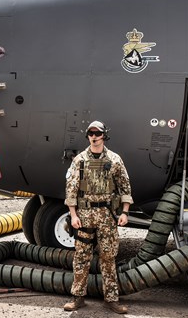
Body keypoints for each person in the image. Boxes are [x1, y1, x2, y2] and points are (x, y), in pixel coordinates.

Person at [63, 120, 133, 315]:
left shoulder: (115, 160)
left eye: (98, 133)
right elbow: (71, 190)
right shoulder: (79, 160)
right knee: (81, 258)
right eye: (90, 133)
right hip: (84, 216)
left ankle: (111, 299)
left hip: (107, 216)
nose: (94, 137)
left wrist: (125, 212)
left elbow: (125, 186)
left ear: (104, 135)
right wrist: (74, 216)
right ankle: (77, 298)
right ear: (88, 136)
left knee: (108, 258)